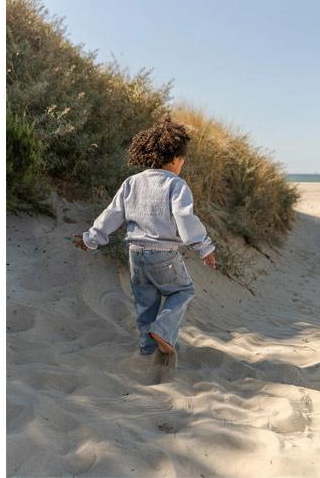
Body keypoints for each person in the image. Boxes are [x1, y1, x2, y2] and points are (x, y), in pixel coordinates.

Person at [72, 116, 216, 359]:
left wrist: (91, 238)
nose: (182, 165)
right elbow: (185, 219)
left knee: (145, 304)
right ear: (176, 158)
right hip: (163, 255)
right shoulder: (176, 185)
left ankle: (147, 350)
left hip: (135, 255)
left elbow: (112, 214)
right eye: (183, 160)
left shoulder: (132, 182)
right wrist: (204, 248)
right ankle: (162, 331)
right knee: (183, 291)